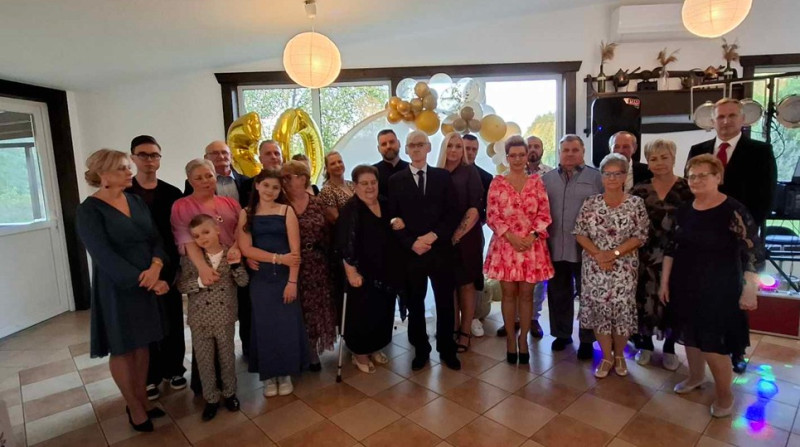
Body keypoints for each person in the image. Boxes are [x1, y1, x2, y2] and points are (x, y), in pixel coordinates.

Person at [660, 154, 764, 418]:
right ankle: (696, 377)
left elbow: (753, 252)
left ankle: (725, 395)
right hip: (685, 283)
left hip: (720, 288)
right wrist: (664, 282)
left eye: (702, 175)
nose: (695, 180)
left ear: (718, 177)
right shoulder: (685, 209)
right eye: (691, 176)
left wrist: (749, 288)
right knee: (690, 336)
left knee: (713, 345)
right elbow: (671, 248)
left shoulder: (733, 210)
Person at [76, 149, 170, 432]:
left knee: (142, 345)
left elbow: (155, 238)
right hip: (118, 287)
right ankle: (134, 405)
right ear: (102, 174)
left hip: (147, 280)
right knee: (123, 347)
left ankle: (143, 399)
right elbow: (103, 255)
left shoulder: (135, 200)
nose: (130, 172)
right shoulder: (88, 210)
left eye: (128, 167)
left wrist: (156, 266)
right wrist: (147, 280)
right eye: (122, 168)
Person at [688, 97, 776, 374]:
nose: (725, 121)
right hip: (703, 240)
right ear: (712, 121)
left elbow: (765, 199)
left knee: (735, 301)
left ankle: (736, 351)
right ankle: (706, 345)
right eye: (720, 117)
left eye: (731, 116)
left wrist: (741, 232)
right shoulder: (699, 150)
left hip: (738, 240)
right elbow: (692, 190)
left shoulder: (760, 151)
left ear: (742, 119)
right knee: (705, 298)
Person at [388, 130, 461, 371]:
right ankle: (421, 349)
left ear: (429, 147)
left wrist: (434, 235)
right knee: (415, 303)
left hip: (440, 251)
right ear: (406, 150)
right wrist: (411, 242)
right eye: (412, 145)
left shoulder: (443, 177)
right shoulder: (395, 181)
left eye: (421, 144)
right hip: (413, 254)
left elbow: (452, 213)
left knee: (445, 303)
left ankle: (447, 349)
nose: (417, 148)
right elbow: (393, 218)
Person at [171, 159, 243, 396]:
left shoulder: (229, 203)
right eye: (198, 177)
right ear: (189, 180)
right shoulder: (182, 205)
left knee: (225, 335)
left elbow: (240, 231)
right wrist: (202, 268)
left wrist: (236, 250)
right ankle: (208, 391)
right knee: (203, 340)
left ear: (216, 176)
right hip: (199, 269)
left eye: (209, 175)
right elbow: (187, 240)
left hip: (228, 265)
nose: (205, 181)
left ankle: (229, 388)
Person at [574, 153, 649, 378]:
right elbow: (579, 233)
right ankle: (607, 356)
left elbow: (640, 235)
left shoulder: (636, 203)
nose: (612, 178)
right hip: (595, 267)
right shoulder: (590, 203)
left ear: (625, 176)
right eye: (608, 174)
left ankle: (619, 356)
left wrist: (613, 254)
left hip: (624, 268)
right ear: (602, 176)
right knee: (601, 313)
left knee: (622, 313)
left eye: (617, 174)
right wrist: (599, 255)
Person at [125, 135, 186, 401]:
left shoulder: (172, 193)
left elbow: (179, 232)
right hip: (137, 267)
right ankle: (149, 376)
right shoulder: (125, 194)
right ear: (133, 158)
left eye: (154, 155)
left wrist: (177, 267)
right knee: (144, 323)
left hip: (168, 264)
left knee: (172, 319)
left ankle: (174, 369)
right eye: (143, 155)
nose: (149, 160)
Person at [484, 136, 554, 364]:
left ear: (526, 157)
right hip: (506, 246)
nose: (517, 159)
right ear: (507, 158)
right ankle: (510, 340)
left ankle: (523, 339)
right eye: (512, 155)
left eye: (521, 155)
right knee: (508, 295)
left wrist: (532, 236)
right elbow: (492, 215)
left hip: (531, 247)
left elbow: (544, 214)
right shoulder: (497, 183)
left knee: (526, 295)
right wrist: (512, 237)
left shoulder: (536, 182)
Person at [237, 170, 306, 397]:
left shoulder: (286, 211)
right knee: (264, 326)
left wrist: (292, 281)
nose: (270, 191)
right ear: (257, 185)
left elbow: (295, 252)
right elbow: (246, 248)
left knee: (286, 326)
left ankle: (285, 373)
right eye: (266, 185)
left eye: (275, 188)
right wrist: (277, 258)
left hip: (286, 277)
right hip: (262, 278)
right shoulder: (246, 213)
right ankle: (268, 376)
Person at [182, 141, 254, 359]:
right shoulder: (187, 197)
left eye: (225, 152)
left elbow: (245, 223)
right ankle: (209, 365)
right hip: (205, 261)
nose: (221, 156)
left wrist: (239, 248)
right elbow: (187, 232)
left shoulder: (247, 183)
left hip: (237, 255)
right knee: (211, 314)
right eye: (215, 153)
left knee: (245, 306)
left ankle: (248, 351)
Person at [177, 215, 248, 421]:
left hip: (224, 317)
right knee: (204, 361)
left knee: (227, 358)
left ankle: (230, 394)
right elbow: (181, 285)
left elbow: (243, 282)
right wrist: (200, 281)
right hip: (199, 319)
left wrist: (236, 266)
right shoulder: (191, 258)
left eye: (206, 232)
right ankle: (211, 399)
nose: (202, 238)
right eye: (196, 236)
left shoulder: (231, 254)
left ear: (217, 229)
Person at [630, 139, 693, 371]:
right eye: (653, 159)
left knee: (673, 301)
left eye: (664, 157)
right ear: (647, 162)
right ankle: (645, 344)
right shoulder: (639, 190)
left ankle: (669, 348)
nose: (659, 163)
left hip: (678, 256)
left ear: (674, 158)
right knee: (645, 301)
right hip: (645, 256)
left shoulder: (688, 189)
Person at [542, 134, 604, 360]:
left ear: (583, 152)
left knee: (588, 296)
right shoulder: (547, 179)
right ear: (559, 153)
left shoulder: (596, 178)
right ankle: (562, 334)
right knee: (558, 293)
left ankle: (587, 340)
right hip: (555, 246)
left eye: (574, 150)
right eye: (565, 150)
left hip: (586, 249)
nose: (569, 154)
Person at [336, 165, 400, 373]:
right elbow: (345, 244)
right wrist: (351, 272)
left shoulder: (384, 203)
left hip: (385, 270)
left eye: (373, 182)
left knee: (382, 311)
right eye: (364, 183)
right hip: (361, 273)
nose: (370, 187)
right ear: (355, 186)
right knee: (362, 314)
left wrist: (398, 222)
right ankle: (360, 353)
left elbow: (392, 227)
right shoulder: (351, 209)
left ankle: (375, 347)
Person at [282, 161, 337, 371]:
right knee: (296, 309)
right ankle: (295, 352)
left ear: (303, 178)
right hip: (290, 263)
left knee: (315, 309)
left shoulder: (318, 202)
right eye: (284, 177)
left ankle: (313, 352)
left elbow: (330, 231)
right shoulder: (280, 204)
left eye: (290, 177)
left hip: (317, 262)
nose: (286, 181)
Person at [436, 132, 485, 352]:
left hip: (466, 239)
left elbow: (475, 208)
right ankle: (452, 328)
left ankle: (465, 333)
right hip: (442, 239)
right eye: (450, 145)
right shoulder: (436, 173)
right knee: (449, 285)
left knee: (466, 284)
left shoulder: (469, 171)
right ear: (444, 148)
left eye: (458, 146)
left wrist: (456, 235)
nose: (454, 150)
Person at [463, 134, 493, 338]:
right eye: (467, 148)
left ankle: (474, 316)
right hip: (448, 235)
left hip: (474, 234)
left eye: (474, 149)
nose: (470, 153)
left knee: (474, 274)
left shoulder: (485, 177)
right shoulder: (445, 173)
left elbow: (488, 210)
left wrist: (473, 223)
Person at [527, 135, 553, 339]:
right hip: (515, 238)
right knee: (515, 279)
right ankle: (515, 318)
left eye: (537, 146)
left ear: (542, 150)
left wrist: (537, 231)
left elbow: (549, 205)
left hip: (539, 235)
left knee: (537, 282)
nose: (533, 149)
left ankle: (533, 318)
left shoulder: (550, 175)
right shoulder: (511, 174)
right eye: (529, 146)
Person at [318, 151, 355, 224]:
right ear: (327, 169)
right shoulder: (326, 191)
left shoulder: (351, 184)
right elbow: (336, 219)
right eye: (333, 164)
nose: (337, 165)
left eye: (339, 162)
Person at [374, 129, 409, 199]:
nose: (388, 146)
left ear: (399, 143)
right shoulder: (372, 173)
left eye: (392, 142)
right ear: (378, 149)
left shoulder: (412, 169)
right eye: (384, 144)